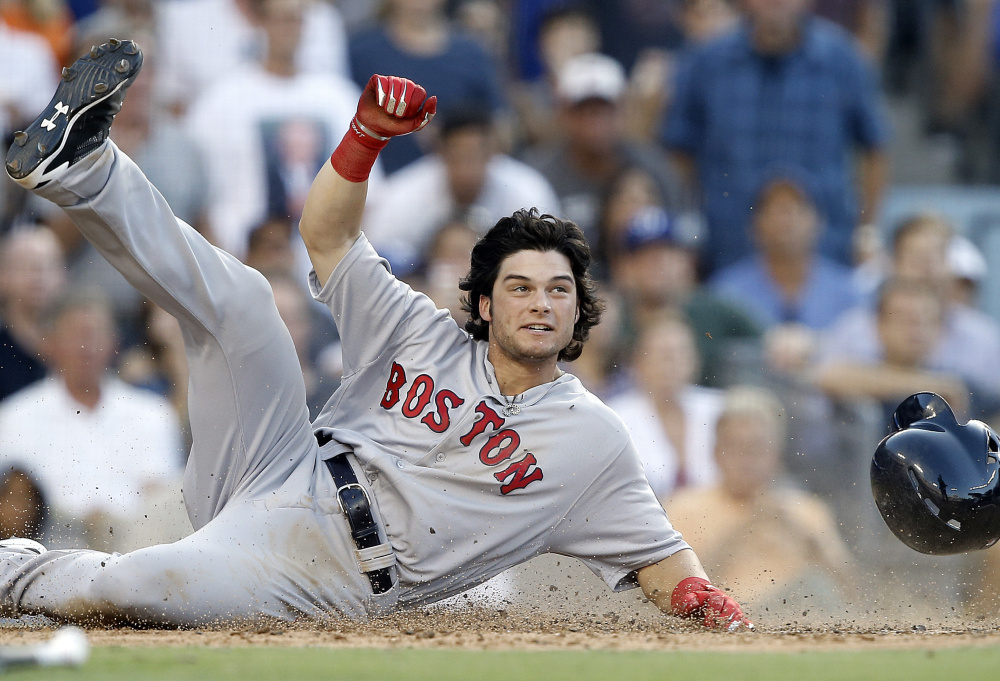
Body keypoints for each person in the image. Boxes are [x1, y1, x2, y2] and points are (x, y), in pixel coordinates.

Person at [0, 41, 751, 629]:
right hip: (279, 463)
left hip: (327, 571)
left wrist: (700, 595)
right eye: (519, 286)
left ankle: (12, 571)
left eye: (559, 290)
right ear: (485, 305)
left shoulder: (593, 439)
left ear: (579, 311)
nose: (541, 303)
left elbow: (659, 556)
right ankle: (87, 168)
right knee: (249, 304)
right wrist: (362, 137)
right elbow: (325, 235)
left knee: (140, 584)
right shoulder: (420, 332)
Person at [663, 0, 891, 273]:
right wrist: (689, 226)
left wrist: (866, 229)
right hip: (728, 246)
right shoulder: (707, 61)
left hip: (825, 247)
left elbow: (875, 147)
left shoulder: (843, 59)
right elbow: (679, 151)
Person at [0, 290, 185, 552]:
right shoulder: (13, 417)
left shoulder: (153, 414)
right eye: (75, 335)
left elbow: (163, 502)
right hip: (44, 560)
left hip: (134, 556)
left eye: (94, 335)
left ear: (115, 344)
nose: (85, 347)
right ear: (50, 343)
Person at [667, 386, 855, 612]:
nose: (747, 460)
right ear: (716, 452)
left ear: (775, 454)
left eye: (757, 447)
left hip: (795, 624)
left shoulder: (805, 511)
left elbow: (851, 591)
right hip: (722, 624)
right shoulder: (685, 508)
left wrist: (807, 540)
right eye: (736, 447)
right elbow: (672, 592)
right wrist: (744, 529)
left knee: (816, 584)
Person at [361, 106, 560, 276]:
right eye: (458, 156)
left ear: (493, 151)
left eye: (475, 156)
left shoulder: (527, 193)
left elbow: (551, 260)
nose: (467, 170)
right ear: (440, 151)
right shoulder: (402, 197)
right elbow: (375, 265)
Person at [606, 314, 725, 500]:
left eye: (680, 353)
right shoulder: (614, 417)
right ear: (638, 362)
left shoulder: (719, 408)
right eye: (663, 355)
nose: (671, 364)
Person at [0, 228, 66, 402]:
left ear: (63, 277)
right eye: (26, 265)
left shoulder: (81, 348)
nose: (39, 275)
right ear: (2, 276)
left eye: (49, 265)